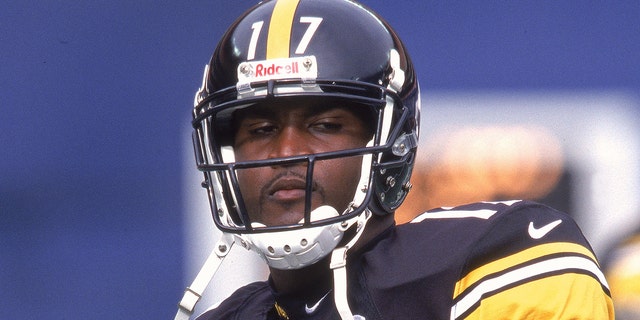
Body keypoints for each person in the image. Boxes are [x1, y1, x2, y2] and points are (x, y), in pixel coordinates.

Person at [176, 0, 615, 319]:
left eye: (325, 125)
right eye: (261, 130)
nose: (287, 152)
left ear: (392, 146)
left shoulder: (488, 260)